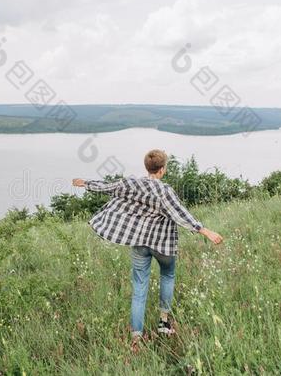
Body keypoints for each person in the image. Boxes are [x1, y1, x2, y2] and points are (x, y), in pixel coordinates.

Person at [72, 149, 223, 351]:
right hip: (163, 244)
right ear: (162, 170)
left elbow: (108, 187)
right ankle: (164, 324)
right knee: (167, 276)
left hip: (140, 243)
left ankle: (136, 338)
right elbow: (181, 213)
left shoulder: (131, 183)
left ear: (147, 167)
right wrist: (205, 231)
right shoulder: (164, 190)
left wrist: (85, 183)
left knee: (139, 289)